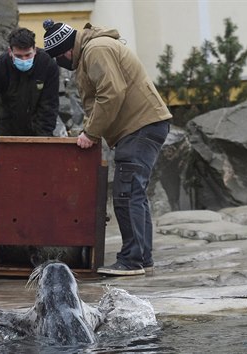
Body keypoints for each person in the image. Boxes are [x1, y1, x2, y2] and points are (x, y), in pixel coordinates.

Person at [42, 19, 172, 276]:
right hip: (140, 125)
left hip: (139, 126)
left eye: (60, 58)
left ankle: (132, 260)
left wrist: (91, 133)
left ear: (67, 50)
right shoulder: (93, 49)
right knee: (134, 193)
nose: (62, 64)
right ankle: (142, 258)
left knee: (127, 193)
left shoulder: (96, 50)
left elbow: (111, 93)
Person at [0, 27, 59, 149]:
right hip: (5, 129)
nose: (24, 60)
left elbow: (49, 105)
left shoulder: (48, 65)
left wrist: (43, 138)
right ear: (10, 51)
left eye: (28, 55)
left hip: (37, 130)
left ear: (34, 49)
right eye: (18, 56)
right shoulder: (0, 65)